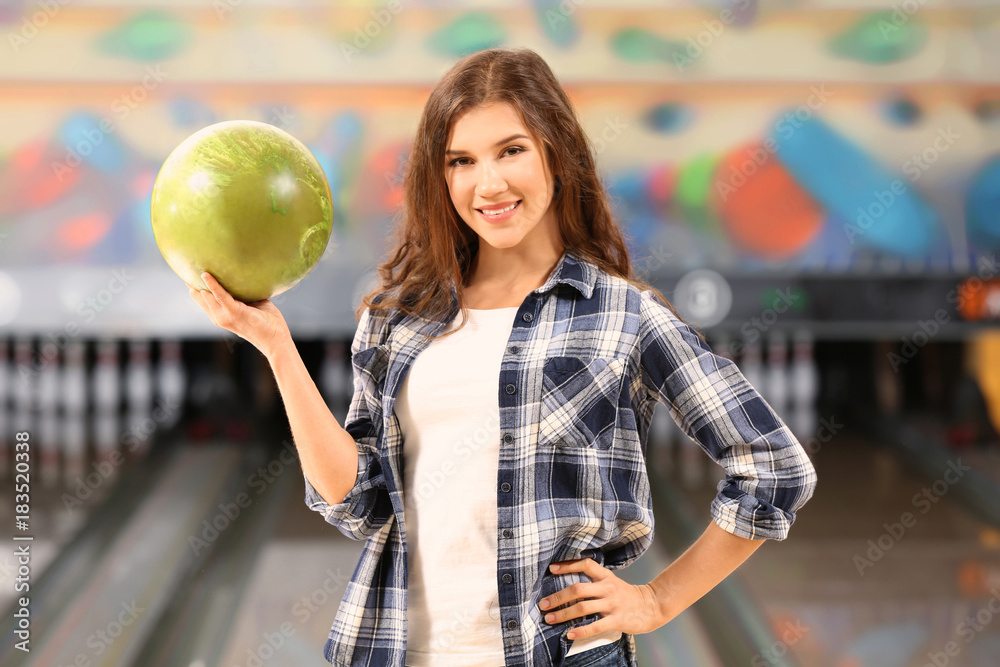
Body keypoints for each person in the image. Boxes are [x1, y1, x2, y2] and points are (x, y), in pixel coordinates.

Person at [190, 47, 818, 667]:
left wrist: (656, 600)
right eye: (461, 160)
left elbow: (776, 466)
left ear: (556, 153)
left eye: (510, 150)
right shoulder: (397, 320)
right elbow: (357, 502)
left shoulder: (622, 314)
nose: (487, 183)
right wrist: (275, 345)